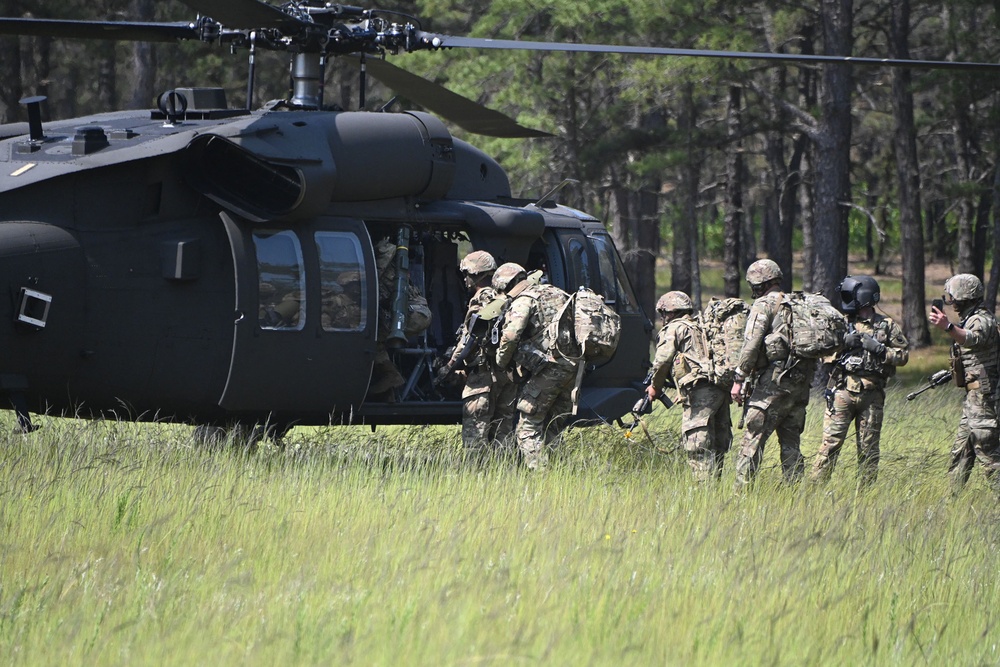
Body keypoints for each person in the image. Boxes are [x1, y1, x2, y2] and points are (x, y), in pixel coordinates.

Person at [811, 275, 909, 485]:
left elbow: (903, 356)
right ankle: (813, 492)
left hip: (872, 395)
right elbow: (823, 353)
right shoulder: (841, 323)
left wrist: (880, 350)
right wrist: (842, 343)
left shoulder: (887, 325)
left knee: (869, 450)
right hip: (841, 393)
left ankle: (866, 495)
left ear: (862, 296)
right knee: (829, 446)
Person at [730, 259, 814, 489]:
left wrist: (739, 378)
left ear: (758, 283)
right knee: (791, 443)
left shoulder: (763, 305)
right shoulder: (797, 303)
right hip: (799, 384)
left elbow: (751, 343)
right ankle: (795, 492)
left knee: (752, 438)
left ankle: (741, 495)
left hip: (773, 383)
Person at [495, 263, 579, 470]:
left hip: (549, 369)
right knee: (554, 425)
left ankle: (539, 475)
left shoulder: (524, 300)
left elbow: (511, 335)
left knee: (528, 426)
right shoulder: (555, 292)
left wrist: (501, 361)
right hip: (574, 367)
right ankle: (559, 473)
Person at [437, 250, 516, 458]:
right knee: (503, 435)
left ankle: (477, 479)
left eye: (467, 274)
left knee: (475, 436)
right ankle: (504, 478)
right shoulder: (504, 298)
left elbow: (469, 339)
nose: (465, 279)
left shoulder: (480, 300)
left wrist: (449, 367)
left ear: (477, 275)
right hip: (505, 375)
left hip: (483, 377)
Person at [647, 291, 732, 482]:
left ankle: (702, 493)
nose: (662, 317)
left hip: (700, 392)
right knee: (718, 444)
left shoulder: (675, 328)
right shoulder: (702, 326)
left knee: (697, 445)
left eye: (663, 313)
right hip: (719, 388)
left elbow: (661, 362)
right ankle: (716, 486)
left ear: (669, 312)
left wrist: (655, 387)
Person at [928, 273, 1000, 493]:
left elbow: (972, 339)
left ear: (963, 295)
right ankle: (952, 502)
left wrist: (947, 327)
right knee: (960, 454)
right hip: (973, 403)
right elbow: (975, 357)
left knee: (990, 459)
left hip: (985, 402)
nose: (950, 301)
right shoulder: (970, 318)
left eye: (952, 296)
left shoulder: (982, 320)